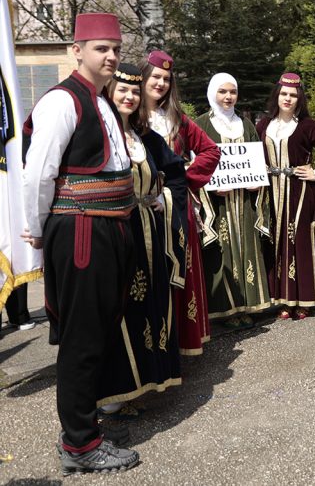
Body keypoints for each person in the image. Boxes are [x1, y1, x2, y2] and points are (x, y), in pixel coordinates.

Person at [21, 13, 140, 473]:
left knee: (102, 328)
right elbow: (38, 174)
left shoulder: (102, 101)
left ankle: (85, 425)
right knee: (82, 336)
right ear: (77, 50)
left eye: (115, 49)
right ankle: (79, 445)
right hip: (82, 228)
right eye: (100, 48)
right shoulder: (62, 101)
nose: (110, 56)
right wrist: (37, 230)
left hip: (109, 225)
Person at [96, 62, 189, 412]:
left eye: (135, 91)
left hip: (150, 231)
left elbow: (175, 173)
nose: (129, 97)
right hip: (116, 232)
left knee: (149, 304)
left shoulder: (146, 138)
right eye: (122, 89)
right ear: (109, 92)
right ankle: (114, 393)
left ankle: (145, 381)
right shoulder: (97, 136)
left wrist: (165, 200)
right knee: (120, 307)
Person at [140, 50, 221, 355]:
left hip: (176, 207)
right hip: (142, 206)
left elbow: (211, 151)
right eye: (155, 77)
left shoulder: (177, 119)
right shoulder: (129, 116)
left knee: (179, 274)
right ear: (143, 78)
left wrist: (184, 177)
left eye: (165, 79)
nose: (160, 83)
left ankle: (178, 344)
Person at [256, 72, 315, 319]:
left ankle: (304, 298)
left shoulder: (306, 125)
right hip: (272, 193)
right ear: (277, 95)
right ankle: (283, 299)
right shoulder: (263, 125)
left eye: (293, 95)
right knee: (277, 243)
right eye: (284, 94)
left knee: (299, 243)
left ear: (299, 98)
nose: (288, 99)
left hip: (300, 192)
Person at [195, 73, 272, 326]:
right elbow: (192, 163)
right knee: (222, 253)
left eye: (233, 92)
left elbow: (257, 160)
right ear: (212, 93)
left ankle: (247, 306)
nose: (228, 97)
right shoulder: (201, 125)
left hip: (244, 203)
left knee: (247, 248)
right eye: (223, 92)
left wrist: (258, 181)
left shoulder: (246, 124)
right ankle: (226, 310)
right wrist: (210, 185)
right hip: (218, 205)